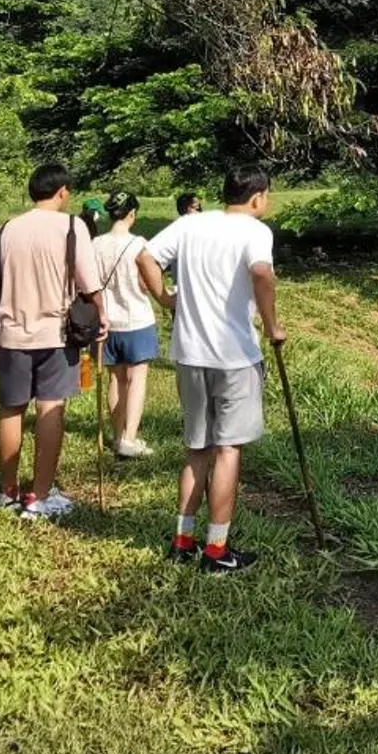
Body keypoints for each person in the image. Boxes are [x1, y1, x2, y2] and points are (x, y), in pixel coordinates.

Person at [146, 167, 286, 574]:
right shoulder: (256, 231)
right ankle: (216, 549)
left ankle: (182, 539)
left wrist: (164, 298)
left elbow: (145, 256)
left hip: (189, 353)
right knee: (227, 450)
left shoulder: (191, 223)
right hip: (235, 357)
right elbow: (261, 272)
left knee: (196, 448)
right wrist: (273, 325)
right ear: (258, 197)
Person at [0, 162, 106, 520]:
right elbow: (89, 283)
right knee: (50, 408)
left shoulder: (8, 228)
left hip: (11, 332)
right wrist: (102, 318)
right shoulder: (72, 227)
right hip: (56, 334)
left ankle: (7, 491)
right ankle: (38, 496)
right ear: (62, 192)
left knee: (11, 408)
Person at [92, 190, 167, 459]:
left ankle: (116, 434)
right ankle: (130, 438)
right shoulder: (139, 244)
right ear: (132, 214)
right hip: (137, 319)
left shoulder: (96, 244)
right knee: (137, 378)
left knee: (116, 378)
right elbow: (146, 284)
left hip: (107, 321)